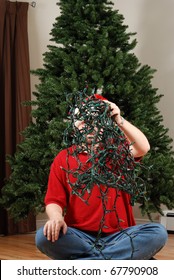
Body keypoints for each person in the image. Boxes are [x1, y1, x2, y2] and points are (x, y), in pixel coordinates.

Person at [35, 94, 168, 260]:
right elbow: (54, 200)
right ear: (74, 125)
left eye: (94, 120)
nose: (88, 125)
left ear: (104, 123)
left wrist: (119, 118)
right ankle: (117, 261)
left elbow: (143, 147)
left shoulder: (116, 152)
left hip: (120, 237)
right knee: (42, 237)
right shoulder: (64, 158)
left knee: (158, 233)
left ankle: (87, 263)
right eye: (83, 120)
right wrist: (55, 219)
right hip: (79, 236)